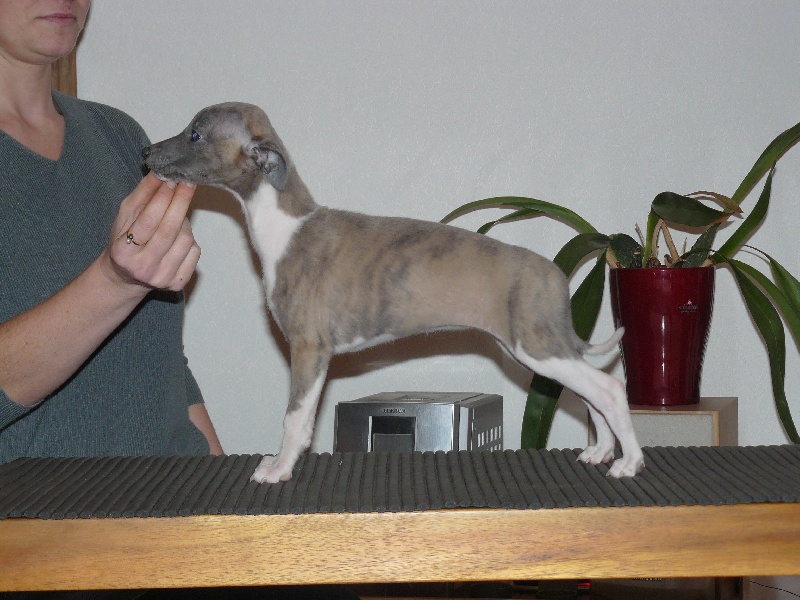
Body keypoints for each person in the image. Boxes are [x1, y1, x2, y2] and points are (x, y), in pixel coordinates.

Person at [0, 0, 223, 462]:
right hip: (38, 507)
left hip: (174, 497)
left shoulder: (117, 135)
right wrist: (113, 281)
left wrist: (224, 488)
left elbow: (162, 363)